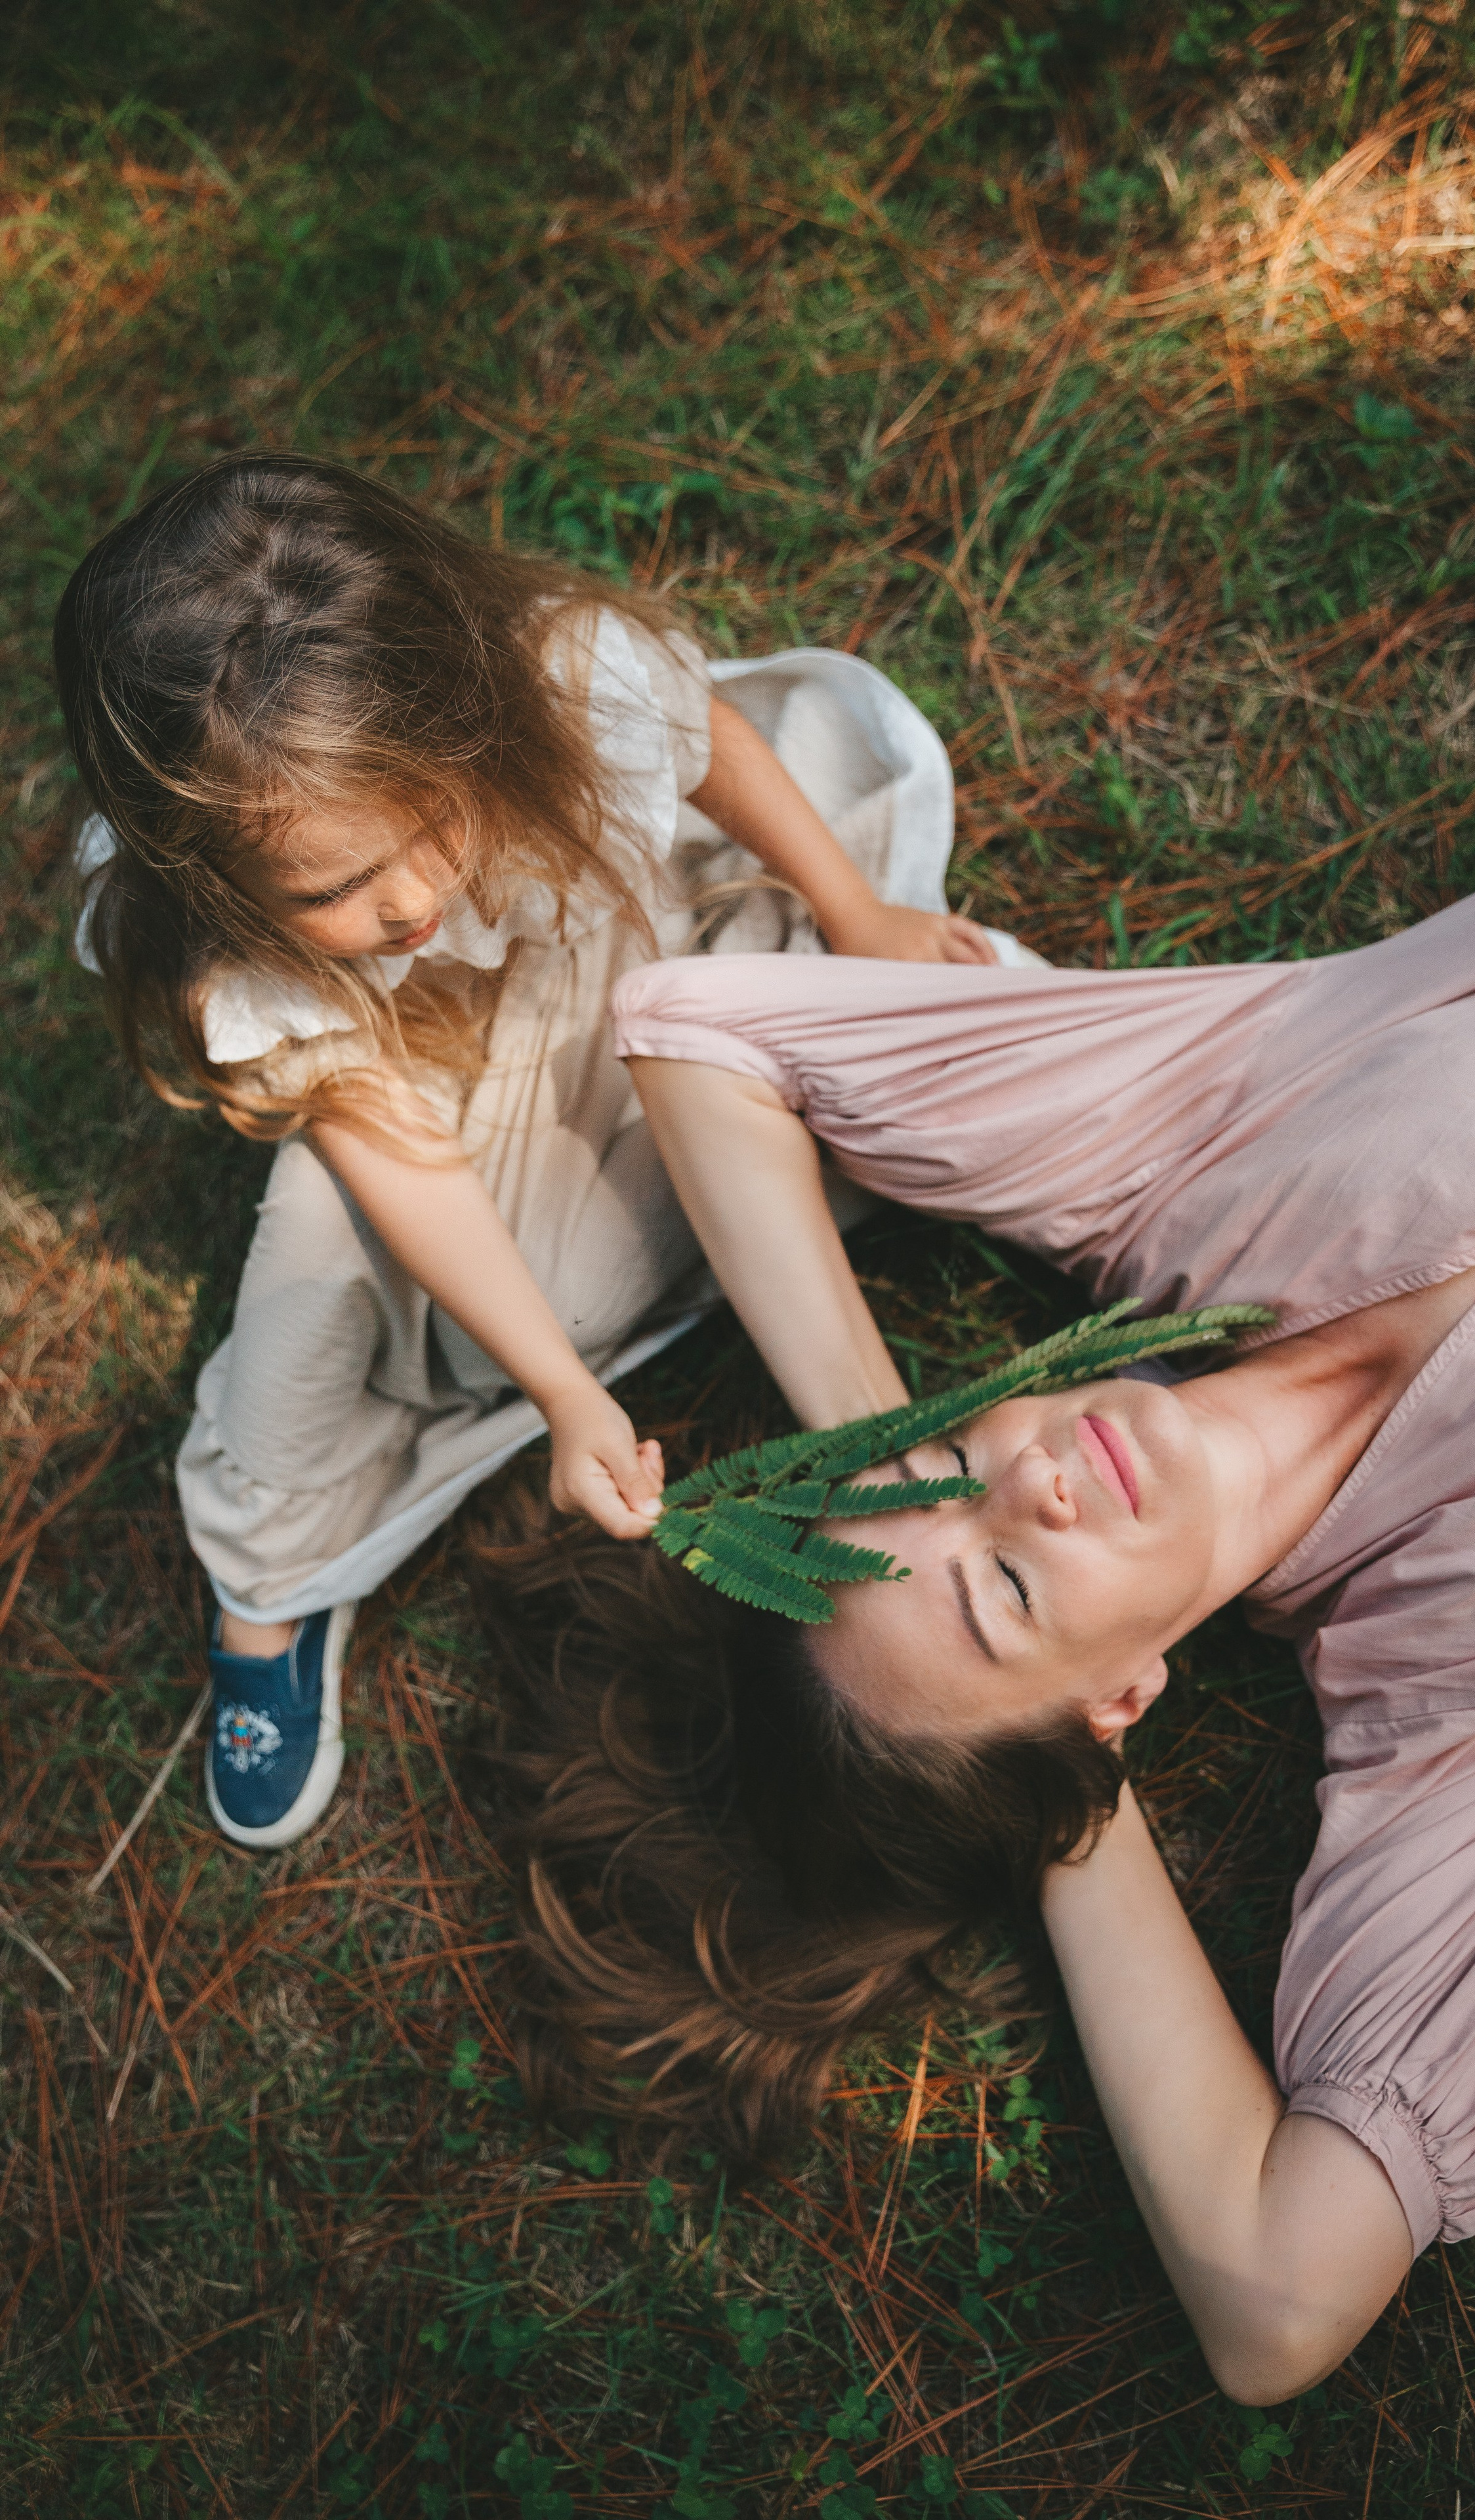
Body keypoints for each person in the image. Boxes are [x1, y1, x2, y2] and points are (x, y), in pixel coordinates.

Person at [489, 771, 1475, 2406]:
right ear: (1114, 1706)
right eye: (1006, 1595)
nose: (1029, 1482)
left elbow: (695, 1032)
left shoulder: (1179, 1175)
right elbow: (1272, 2302)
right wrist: (1058, 1805)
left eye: (942, 1476)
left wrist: (878, 1443)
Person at [56, 450, 1022, 1851]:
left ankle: (778, 1108)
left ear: (462, 705)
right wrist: (566, 1396)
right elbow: (390, 1143)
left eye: (426, 823)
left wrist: (855, 909)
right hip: (425, 1063)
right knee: (328, 1267)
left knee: (893, 1041)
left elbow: (711, 746)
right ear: (220, 880)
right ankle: (263, 1587)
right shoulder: (238, 940)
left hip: (605, 930)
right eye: (332, 887)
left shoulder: (563, 684)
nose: (406, 900)